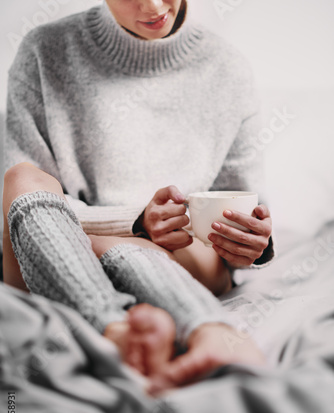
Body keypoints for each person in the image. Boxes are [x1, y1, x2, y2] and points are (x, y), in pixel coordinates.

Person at [2, 0, 272, 381]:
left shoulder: (227, 68)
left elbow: (240, 204)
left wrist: (252, 246)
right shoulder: (44, 51)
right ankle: (146, 330)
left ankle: (143, 333)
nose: (153, 6)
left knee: (109, 247)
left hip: (181, 252)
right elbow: (21, 203)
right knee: (20, 179)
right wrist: (133, 222)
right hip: (46, 245)